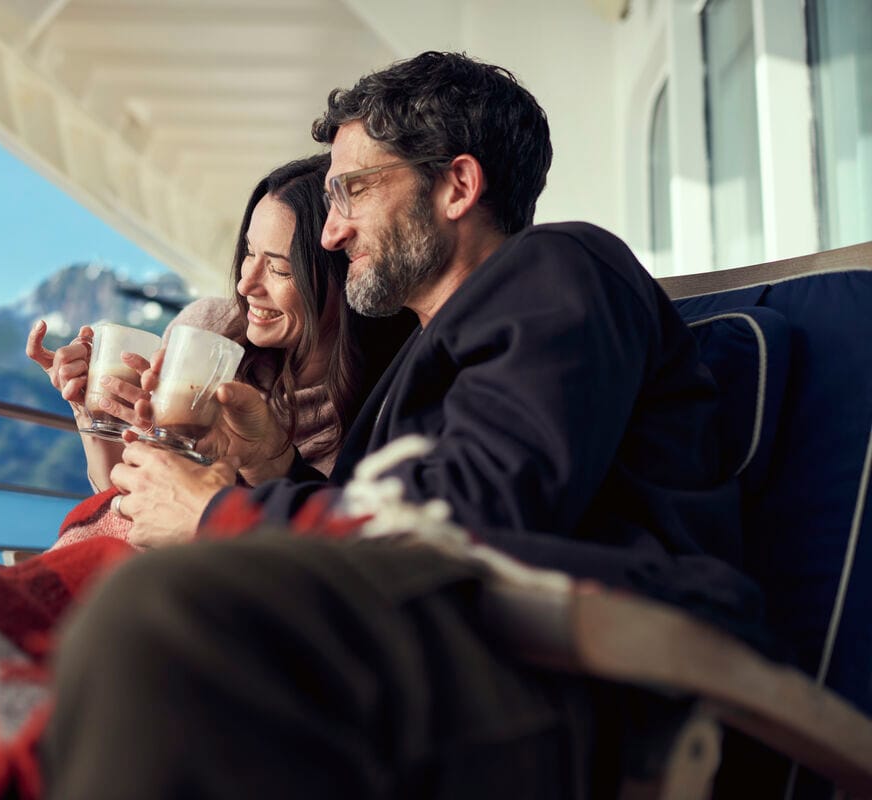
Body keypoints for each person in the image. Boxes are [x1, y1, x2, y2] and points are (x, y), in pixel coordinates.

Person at [41, 52, 766, 798]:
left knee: (150, 615)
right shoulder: (429, 351)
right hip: (451, 654)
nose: (331, 233)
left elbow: (478, 520)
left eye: (352, 191)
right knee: (56, 638)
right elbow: (397, 531)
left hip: (589, 678)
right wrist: (273, 464)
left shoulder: (560, 268)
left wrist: (217, 514)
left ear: (457, 186)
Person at [25, 154, 412, 502]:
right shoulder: (205, 331)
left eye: (279, 269)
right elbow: (121, 500)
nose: (245, 285)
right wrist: (91, 413)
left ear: (348, 274)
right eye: (249, 253)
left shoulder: (384, 411)